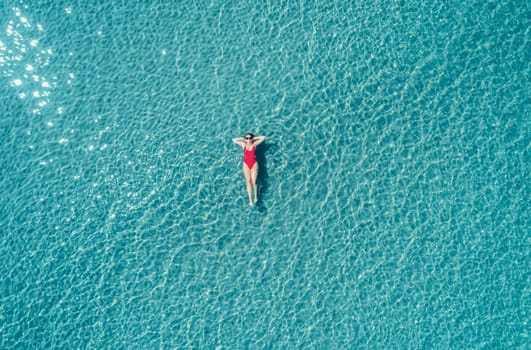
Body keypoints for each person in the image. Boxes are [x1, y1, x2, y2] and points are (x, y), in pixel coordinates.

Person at [232, 133, 266, 206]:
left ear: (252, 138)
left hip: (254, 164)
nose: (248, 139)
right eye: (247, 138)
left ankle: (256, 197)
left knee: (254, 182)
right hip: (246, 165)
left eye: (250, 138)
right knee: (248, 182)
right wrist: (242, 139)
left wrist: (254, 139)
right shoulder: (243, 145)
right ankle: (250, 199)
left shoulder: (254, 145)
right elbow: (234, 140)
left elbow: (263, 138)